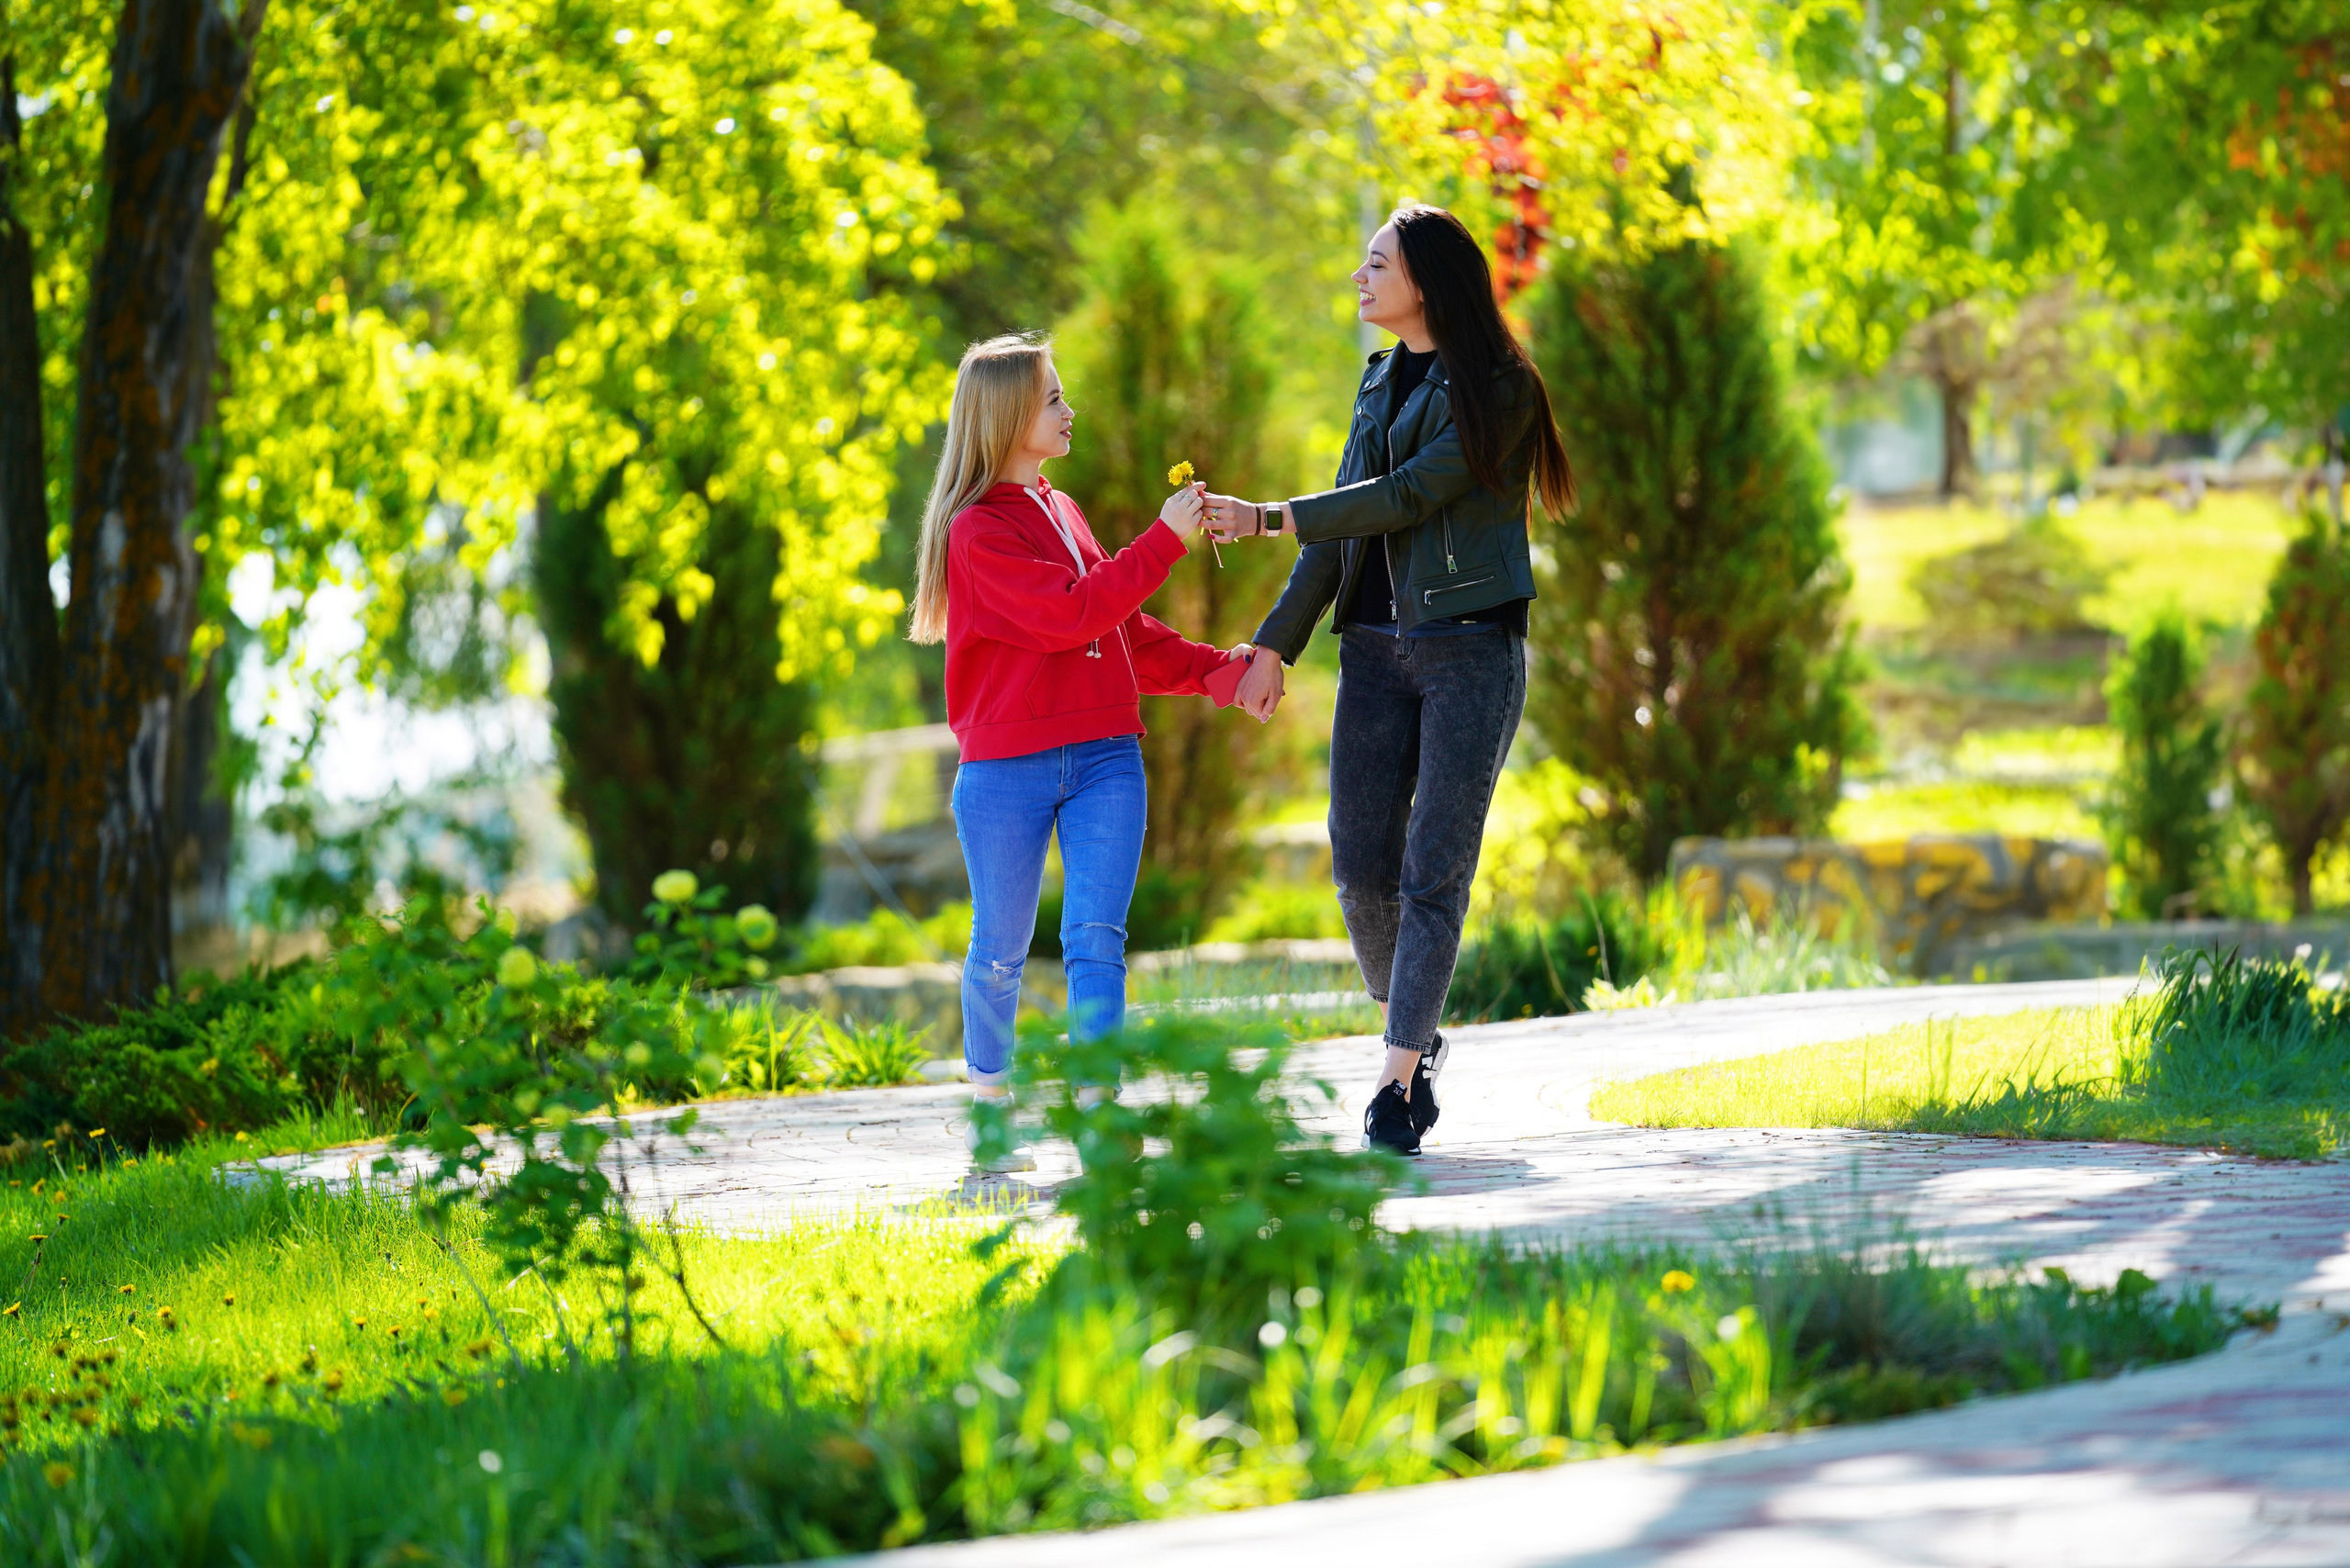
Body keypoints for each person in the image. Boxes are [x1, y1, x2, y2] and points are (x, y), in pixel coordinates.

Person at [1203, 204, 1578, 1157]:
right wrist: (1272, 647)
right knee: (1357, 861)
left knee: (1432, 869)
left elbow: (1407, 496)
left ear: (1428, 279)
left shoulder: (1499, 386)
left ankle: (1396, 1077)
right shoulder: (1376, 383)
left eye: (1377, 265)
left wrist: (1263, 516)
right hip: (1371, 649)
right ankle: (1411, 1027)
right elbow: (1346, 534)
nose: (1360, 280)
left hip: (1468, 651)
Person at [908, 333, 1259, 1169]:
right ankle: (992, 1130)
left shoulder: (1062, 510)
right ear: (1007, 417)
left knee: (1096, 938)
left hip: (1105, 754)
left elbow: (1122, 625)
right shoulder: (974, 532)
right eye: (1055, 399)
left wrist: (1221, 673)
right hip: (1006, 771)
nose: (1070, 411)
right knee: (999, 946)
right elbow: (1069, 615)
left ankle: (1101, 1127)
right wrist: (1165, 540)